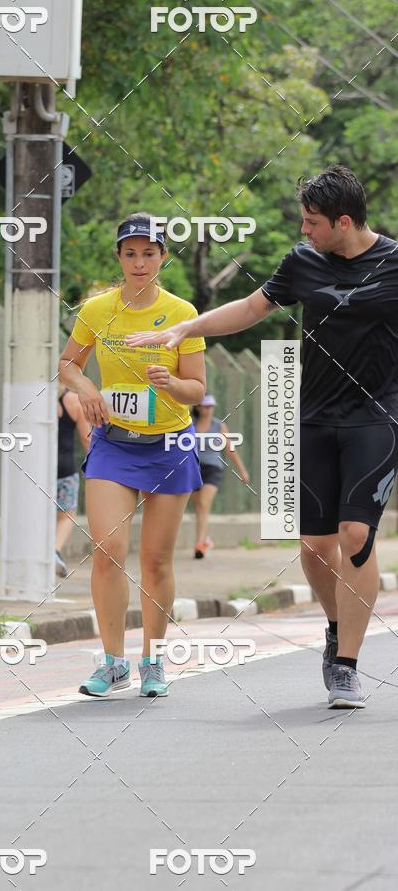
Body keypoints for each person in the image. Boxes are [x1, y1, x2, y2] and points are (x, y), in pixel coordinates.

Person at [126, 165, 398, 709]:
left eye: (312, 223)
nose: (304, 232)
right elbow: (251, 309)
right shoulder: (302, 263)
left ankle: (346, 664)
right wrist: (185, 327)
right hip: (315, 418)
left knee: (353, 536)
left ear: (344, 222)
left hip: (378, 416)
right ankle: (334, 627)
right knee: (315, 546)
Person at [58, 212, 206, 698]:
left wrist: (172, 383)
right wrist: (85, 387)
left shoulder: (182, 313)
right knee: (107, 552)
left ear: (163, 256)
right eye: (130, 253)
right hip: (114, 444)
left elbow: (196, 388)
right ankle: (113, 663)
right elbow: (66, 363)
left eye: (148, 252)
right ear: (119, 258)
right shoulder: (98, 311)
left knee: (156, 561)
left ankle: (154, 661)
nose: (139, 262)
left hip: (170, 445)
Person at [190, 394, 249, 559]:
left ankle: (199, 544)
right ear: (198, 407)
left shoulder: (219, 426)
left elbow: (231, 449)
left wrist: (242, 471)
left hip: (213, 469)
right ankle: (205, 539)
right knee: (199, 508)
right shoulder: (190, 425)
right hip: (193, 468)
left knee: (203, 504)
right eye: (205, 406)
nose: (208, 409)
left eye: (211, 406)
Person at [56, 385, 90, 578]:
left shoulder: (35, 396)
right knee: (66, 514)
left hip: (36, 468)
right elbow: (87, 439)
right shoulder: (73, 400)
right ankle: (55, 549)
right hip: (65, 468)